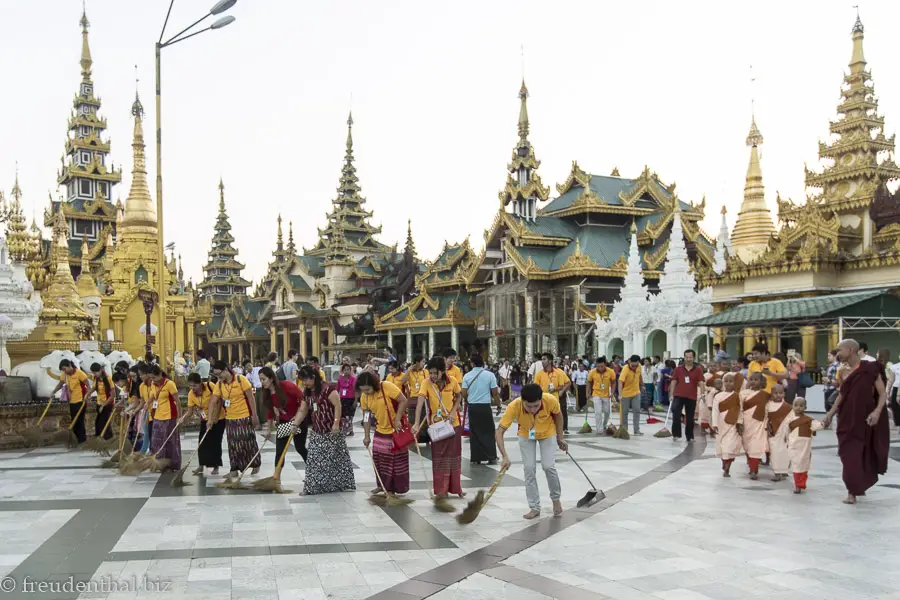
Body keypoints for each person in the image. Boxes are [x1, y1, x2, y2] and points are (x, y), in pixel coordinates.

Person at [823, 339, 889, 504]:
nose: (837, 354)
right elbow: (842, 395)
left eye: (839, 350)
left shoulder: (870, 369)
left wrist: (877, 411)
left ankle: (854, 490)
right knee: (848, 454)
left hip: (865, 420)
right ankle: (854, 487)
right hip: (846, 419)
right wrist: (830, 414)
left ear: (851, 350)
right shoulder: (844, 371)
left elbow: (882, 393)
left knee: (862, 453)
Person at [496, 383, 567, 519]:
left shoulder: (550, 400)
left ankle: (556, 499)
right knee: (529, 469)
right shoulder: (514, 406)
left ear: (541, 399)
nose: (532, 409)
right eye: (528, 406)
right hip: (526, 434)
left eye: (536, 405)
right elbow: (499, 431)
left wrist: (560, 437)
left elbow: (558, 416)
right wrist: (504, 455)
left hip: (548, 432)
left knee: (548, 466)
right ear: (522, 401)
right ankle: (534, 507)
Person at [296, 365, 355, 495]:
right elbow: (303, 410)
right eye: (302, 381)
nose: (304, 383)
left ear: (313, 377)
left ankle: (343, 484)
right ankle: (312, 487)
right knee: (314, 459)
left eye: (305, 380)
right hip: (317, 430)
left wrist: (336, 423)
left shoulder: (327, 389)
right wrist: (295, 424)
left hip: (332, 430)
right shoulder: (307, 393)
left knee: (337, 458)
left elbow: (337, 405)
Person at [415, 357, 465, 498]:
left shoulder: (453, 381)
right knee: (439, 459)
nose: (432, 376)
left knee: (454, 457)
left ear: (442, 372)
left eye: (435, 373)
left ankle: (456, 489)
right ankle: (441, 491)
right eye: (430, 373)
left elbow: (459, 396)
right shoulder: (426, 383)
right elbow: (420, 404)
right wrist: (417, 423)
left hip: (452, 425)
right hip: (436, 427)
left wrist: (454, 411)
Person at [358, 371, 411, 496]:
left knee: (395, 463)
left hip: (395, 431)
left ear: (374, 384)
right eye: (363, 390)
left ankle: (393, 488)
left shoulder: (386, 386)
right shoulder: (364, 397)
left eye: (367, 389)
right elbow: (366, 417)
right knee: (380, 462)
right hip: (380, 431)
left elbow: (403, 400)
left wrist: (397, 419)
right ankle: (382, 485)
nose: (365, 392)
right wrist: (366, 436)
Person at [210, 360, 261, 478]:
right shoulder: (219, 384)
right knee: (233, 444)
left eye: (219, 374)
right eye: (216, 375)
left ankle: (255, 463)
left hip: (244, 416)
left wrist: (255, 415)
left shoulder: (241, 379)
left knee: (248, 441)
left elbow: (251, 398)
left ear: (226, 370)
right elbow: (213, 401)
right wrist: (210, 419)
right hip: (230, 418)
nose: (218, 377)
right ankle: (234, 469)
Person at [259, 366, 306, 464]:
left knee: (300, 448)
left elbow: (302, 398)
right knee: (280, 451)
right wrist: (268, 428)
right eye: (260, 380)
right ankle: (276, 477)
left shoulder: (287, 386)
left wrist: (298, 415)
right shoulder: (267, 394)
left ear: (271, 378)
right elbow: (270, 412)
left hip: (298, 421)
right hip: (284, 423)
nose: (262, 382)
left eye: (264, 379)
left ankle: (313, 469)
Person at [461, 354, 499, 465]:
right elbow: (495, 393)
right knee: (488, 431)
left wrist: (468, 399)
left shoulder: (467, 376)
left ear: (472, 363)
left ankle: (476, 457)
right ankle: (491, 456)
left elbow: (463, 393)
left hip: (473, 407)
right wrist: (498, 405)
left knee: (475, 432)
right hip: (485, 407)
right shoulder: (490, 375)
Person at [185, 373, 224, 476]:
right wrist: (182, 419)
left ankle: (216, 466)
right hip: (205, 419)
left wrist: (215, 417)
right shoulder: (191, 394)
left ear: (200, 383)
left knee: (215, 442)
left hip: (218, 418)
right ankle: (201, 465)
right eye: (190, 386)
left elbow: (219, 400)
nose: (192, 388)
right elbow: (189, 411)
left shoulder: (210, 386)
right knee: (202, 442)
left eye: (194, 385)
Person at [51, 359, 93, 445]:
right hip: (71, 401)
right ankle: (76, 439)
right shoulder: (65, 375)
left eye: (65, 369)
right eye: (62, 370)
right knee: (74, 420)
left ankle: (82, 440)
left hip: (81, 400)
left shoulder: (80, 373)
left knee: (80, 421)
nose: (64, 371)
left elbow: (88, 385)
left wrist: (88, 396)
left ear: (70, 366)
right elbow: (60, 384)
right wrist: (53, 392)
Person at [788, 398, 824, 494]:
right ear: (792, 406)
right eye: (795, 405)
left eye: (801, 406)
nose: (798, 408)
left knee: (803, 465)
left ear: (805, 407)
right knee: (796, 465)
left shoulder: (808, 420)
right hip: (793, 445)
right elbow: (785, 431)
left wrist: (825, 422)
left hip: (804, 447)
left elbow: (819, 426)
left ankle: (801, 483)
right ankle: (797, 484)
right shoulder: (789, 419)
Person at [669, 350, 705, 442]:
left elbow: (701, 382)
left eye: (690, 357)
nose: (688, 359)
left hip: (691, 396)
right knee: (676, 414)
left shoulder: (698, 369)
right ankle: (676, 434)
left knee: (690, 417)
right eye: (687, 357)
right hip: (678, 395)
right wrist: (671, 394)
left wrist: (702, 393)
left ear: (694, 358)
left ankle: (690, 436)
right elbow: (673, 382)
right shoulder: (678, 369)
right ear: (684, 357)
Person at [150, 366, 181, 471]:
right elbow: (152, 396)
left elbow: (177, 401)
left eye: (154, 377)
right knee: (157, 441)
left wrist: (179, 417)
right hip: (157, 416)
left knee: (170, 441)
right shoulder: (153, 384)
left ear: (160, 375)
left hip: (169, 416)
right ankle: (159, 463)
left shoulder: (169, 384)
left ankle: (171, 464)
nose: (152, 380)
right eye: (151, 378)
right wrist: (146, 404)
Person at [711, 372, 742, 477]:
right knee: (722, 447)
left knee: (730, 446)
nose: (729, 384)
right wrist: (714, 424)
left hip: (733, 425)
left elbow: (740, 411)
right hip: (720, 424)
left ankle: (727, 468)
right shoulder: (718, 396)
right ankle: (724, 463)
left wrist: (740, 423)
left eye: (731, 381)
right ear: (723, 382)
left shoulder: (738, 396)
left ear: (734, 383)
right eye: (726, 381)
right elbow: (715, 411)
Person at [740, 372, 769, 480]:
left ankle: (754, 470)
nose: (753, 381)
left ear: (761, 381)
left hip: (760, 424)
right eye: (751, 379)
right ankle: (751, 465)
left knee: (755, 446)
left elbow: (769, 409)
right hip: (746, 423)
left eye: (756, 379)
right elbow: (739, 409)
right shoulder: (743, 394)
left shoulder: (765, 395)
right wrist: (739, 423)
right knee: (748, 446)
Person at [534, 352, 571, 433]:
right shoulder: (539, 374)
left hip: (556, 399)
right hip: (543, 399)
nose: (542, 361)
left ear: (550, 361)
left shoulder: (558, 372)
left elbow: (563, 385)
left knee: (559, 413)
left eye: (544, 359)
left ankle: (562, 428)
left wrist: (557, 390)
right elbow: (536, 387)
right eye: (542, 359)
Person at [766, 384, 793, 483]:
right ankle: (777, 473)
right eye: (775, 393)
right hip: (773, 432)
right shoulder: (768, 405)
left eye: (780, 393)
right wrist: (767, 427)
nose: (778, 395)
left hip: (785, 433)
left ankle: (784, 470)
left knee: (785, 452)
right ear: (771, 394)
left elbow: (792, 420)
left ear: (784, 394)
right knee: (775, 453)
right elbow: (765, 418)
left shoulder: (788, 407)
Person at [616, 355, 643, 435]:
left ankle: (636, 430)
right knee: (624, 412)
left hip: (636, 392)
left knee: (637, 410)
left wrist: (642, 384)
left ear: (638, 362)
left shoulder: (639, 367)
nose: (634, 367)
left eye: (636, 365)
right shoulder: (625, 369)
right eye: (633, 365)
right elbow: (620, 382)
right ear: (630, 362)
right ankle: (624, 430)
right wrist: (620, 395)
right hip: (626, 394)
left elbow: (639, 376)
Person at [588, 357, 615, 434]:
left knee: (607, 412)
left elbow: (613, 382)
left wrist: (612, 392)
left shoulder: (611, 371)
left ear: (605, 364)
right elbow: (589, 382)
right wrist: (588, 392)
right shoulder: (592, 372)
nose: (600, 368)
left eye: (602, 366)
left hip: (607, 394)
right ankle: (599, 429)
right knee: (598, 412)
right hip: (596, 394)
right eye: (598, 366)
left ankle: (604, 425)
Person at [91, 363, 114, 441]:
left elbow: (112, 395)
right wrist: (87, 394)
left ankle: (107, 439)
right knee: (98, 422)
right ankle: (99, 438)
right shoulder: (96, 378)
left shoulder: (108, 379)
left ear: (101, 370)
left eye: (96, 372)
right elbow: (94, 388)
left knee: (104, 423)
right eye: (93, 373)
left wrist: (103, 405)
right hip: (99, 403)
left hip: (107, 404)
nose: (95, 374)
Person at [336, 363, 357, 436]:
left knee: (350, 415)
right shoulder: (340, 378)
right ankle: (345, 429)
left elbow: (355, 390)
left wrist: (356, 401)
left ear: (350, 370)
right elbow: (337, 390)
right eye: (345, 369)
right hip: (342, 399)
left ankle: (350, 430)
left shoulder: (353, 379)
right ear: (342, 370)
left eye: (348, 369)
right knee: (343, 416)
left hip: (351, 399)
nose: (346, 371)